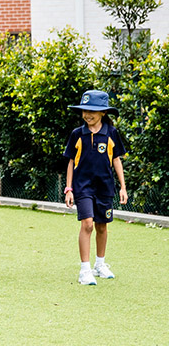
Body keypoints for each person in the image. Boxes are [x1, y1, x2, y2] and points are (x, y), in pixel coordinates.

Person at [63, 90, 128, 286]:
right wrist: (68, 188)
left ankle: (100, 264)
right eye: (84, 110)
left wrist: (122, 187)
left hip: (105, 187)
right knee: (88, 224)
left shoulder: (111, 133)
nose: (87, 114)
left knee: (101, 225)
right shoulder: (77, 134)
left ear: (103, 113)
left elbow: (116, 160)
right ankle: (85, 270)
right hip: (82, 187)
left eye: (92, 111)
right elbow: (70, 162)